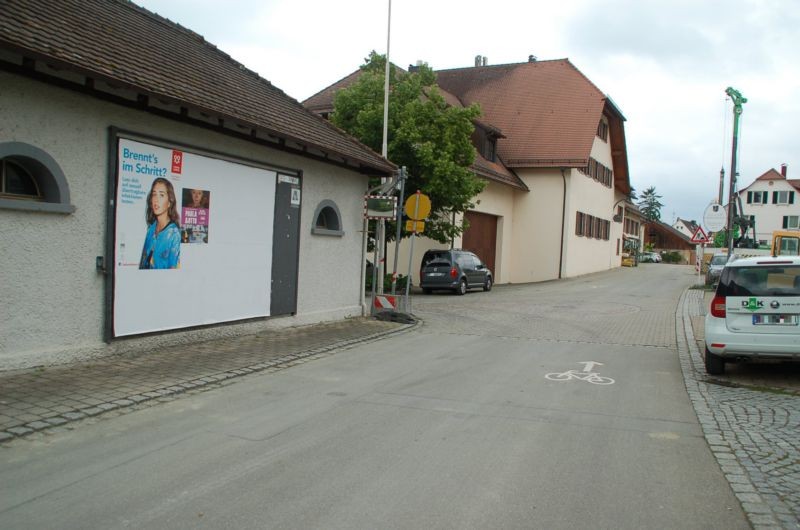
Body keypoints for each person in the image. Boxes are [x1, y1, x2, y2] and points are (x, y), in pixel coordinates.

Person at [139, 177, 181, 269]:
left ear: (169, 202)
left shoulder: (175, 234)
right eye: (154, 195)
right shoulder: (151, 229)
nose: (156, 200)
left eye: (161, 195)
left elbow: (174, 273)